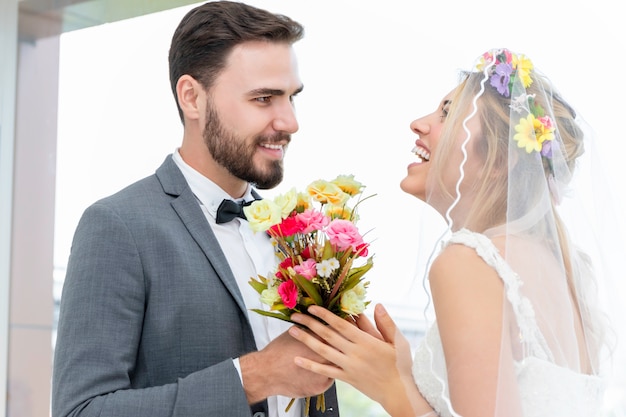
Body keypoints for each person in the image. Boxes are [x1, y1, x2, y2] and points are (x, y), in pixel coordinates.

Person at [287, 48, 621, 416]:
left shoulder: (471, 262)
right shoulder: (566, 271)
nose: (418, 123)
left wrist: (391, 386)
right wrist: (404, 370)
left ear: (499, 161)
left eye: (448, 113)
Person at [51, 2, 340, 417]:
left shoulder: (296, 236)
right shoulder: (118, 226)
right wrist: (254, 377)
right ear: (192, 97)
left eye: (291, 97)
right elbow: (80, 410)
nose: (290, 121)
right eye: (264, 98)